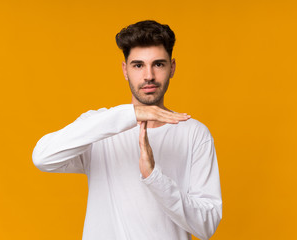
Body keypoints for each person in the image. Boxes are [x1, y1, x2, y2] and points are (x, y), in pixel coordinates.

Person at [32, 20, 222, 240]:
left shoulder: (194, 134)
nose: (149, 75)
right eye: (138, 65)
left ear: (173, 68)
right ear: (125, 70)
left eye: (158, 64)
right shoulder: (100, 126)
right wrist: (130, 115)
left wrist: (154, 177)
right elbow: (42, 157)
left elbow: (207, 225)